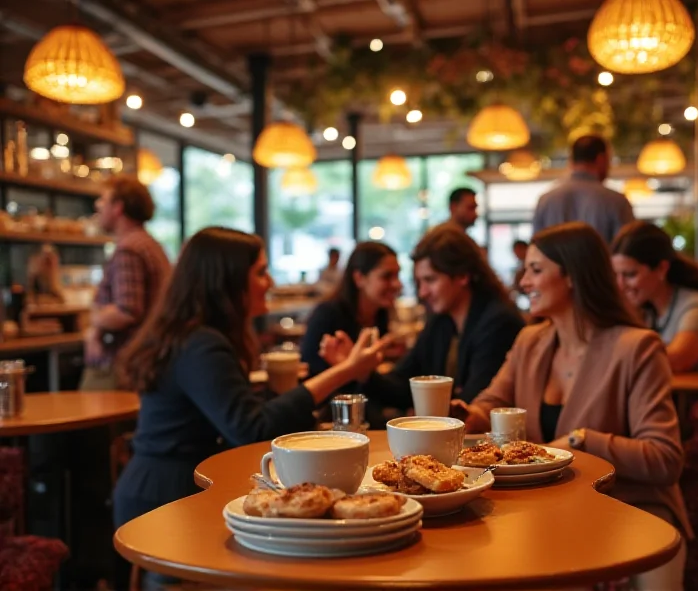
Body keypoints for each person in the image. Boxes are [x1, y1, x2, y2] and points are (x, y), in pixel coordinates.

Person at [113, 227, 387, 588]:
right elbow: (251, 428)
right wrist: (344, 372)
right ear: (225, 281)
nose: (269, 281)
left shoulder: (199, 336)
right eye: (260, 272)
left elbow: (249, 417)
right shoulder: (201, 345)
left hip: (170, 484)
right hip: (169, 500)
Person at [453, 222, 690, 590]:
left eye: (535, 270)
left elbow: (664, 460)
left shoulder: (637, 348)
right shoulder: (530, 340)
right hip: (545, 506)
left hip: (627, 507)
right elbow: (492, 402)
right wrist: (465, 417)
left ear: (573, 277)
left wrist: (580, 441)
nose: (523, 282)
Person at [320, 225, 525, 407]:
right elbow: (403, 387)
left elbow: (473, 406)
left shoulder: (498, 323)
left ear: (463, 275)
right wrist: (357, 369)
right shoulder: (441, 321)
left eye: (430, 280)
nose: (423, 292)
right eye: (419, 282)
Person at [81, 175, 171, 391]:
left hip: (122, 363)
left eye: (103, 200)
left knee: (90, 419)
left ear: (118, 207)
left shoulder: (129, 249)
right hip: (146, 359)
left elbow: (127, 310)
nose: (97, 205)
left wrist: (95, 321)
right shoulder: (150, 245)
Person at [300, 242, 403, 425]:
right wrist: (353, 368)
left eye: (397, 275)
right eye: (387, 276)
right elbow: (311, 381)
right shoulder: (328, 315)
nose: (397, 284)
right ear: (359, 278)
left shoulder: (379, 316)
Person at [611, 220, 698, 373]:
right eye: (616, 275)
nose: (620, 285)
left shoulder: (697, 306)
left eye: (630, 274)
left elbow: (676, 360)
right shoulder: (646, 310)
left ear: (661, 268)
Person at [533, 135, 634, 244]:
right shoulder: (617, 201)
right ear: (601, 159)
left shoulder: (545, 200)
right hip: (599, 261)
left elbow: (535, 251)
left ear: (571, 160)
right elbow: (627, 250)